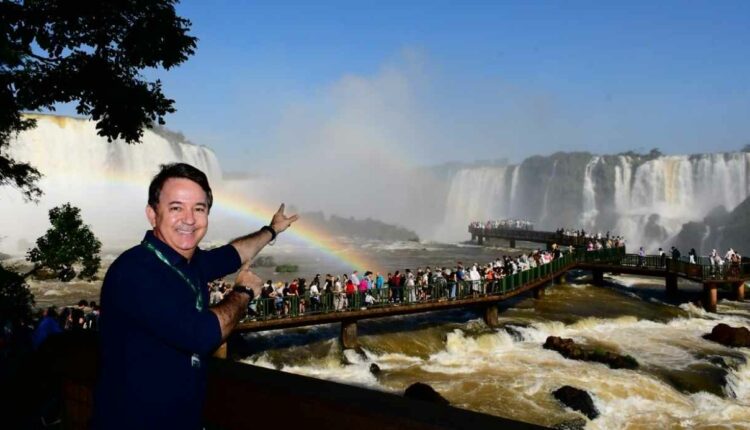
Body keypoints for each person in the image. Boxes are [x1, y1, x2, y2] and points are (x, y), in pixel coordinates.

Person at [92, 163, 298, 429]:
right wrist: (244, 292)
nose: (189, 219)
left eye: (199, 209)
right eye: (176, 208)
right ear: (152, 214)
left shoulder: (188, 260)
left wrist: (271, 230)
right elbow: (202, 335)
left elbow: (234, 253)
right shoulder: (135, 272)